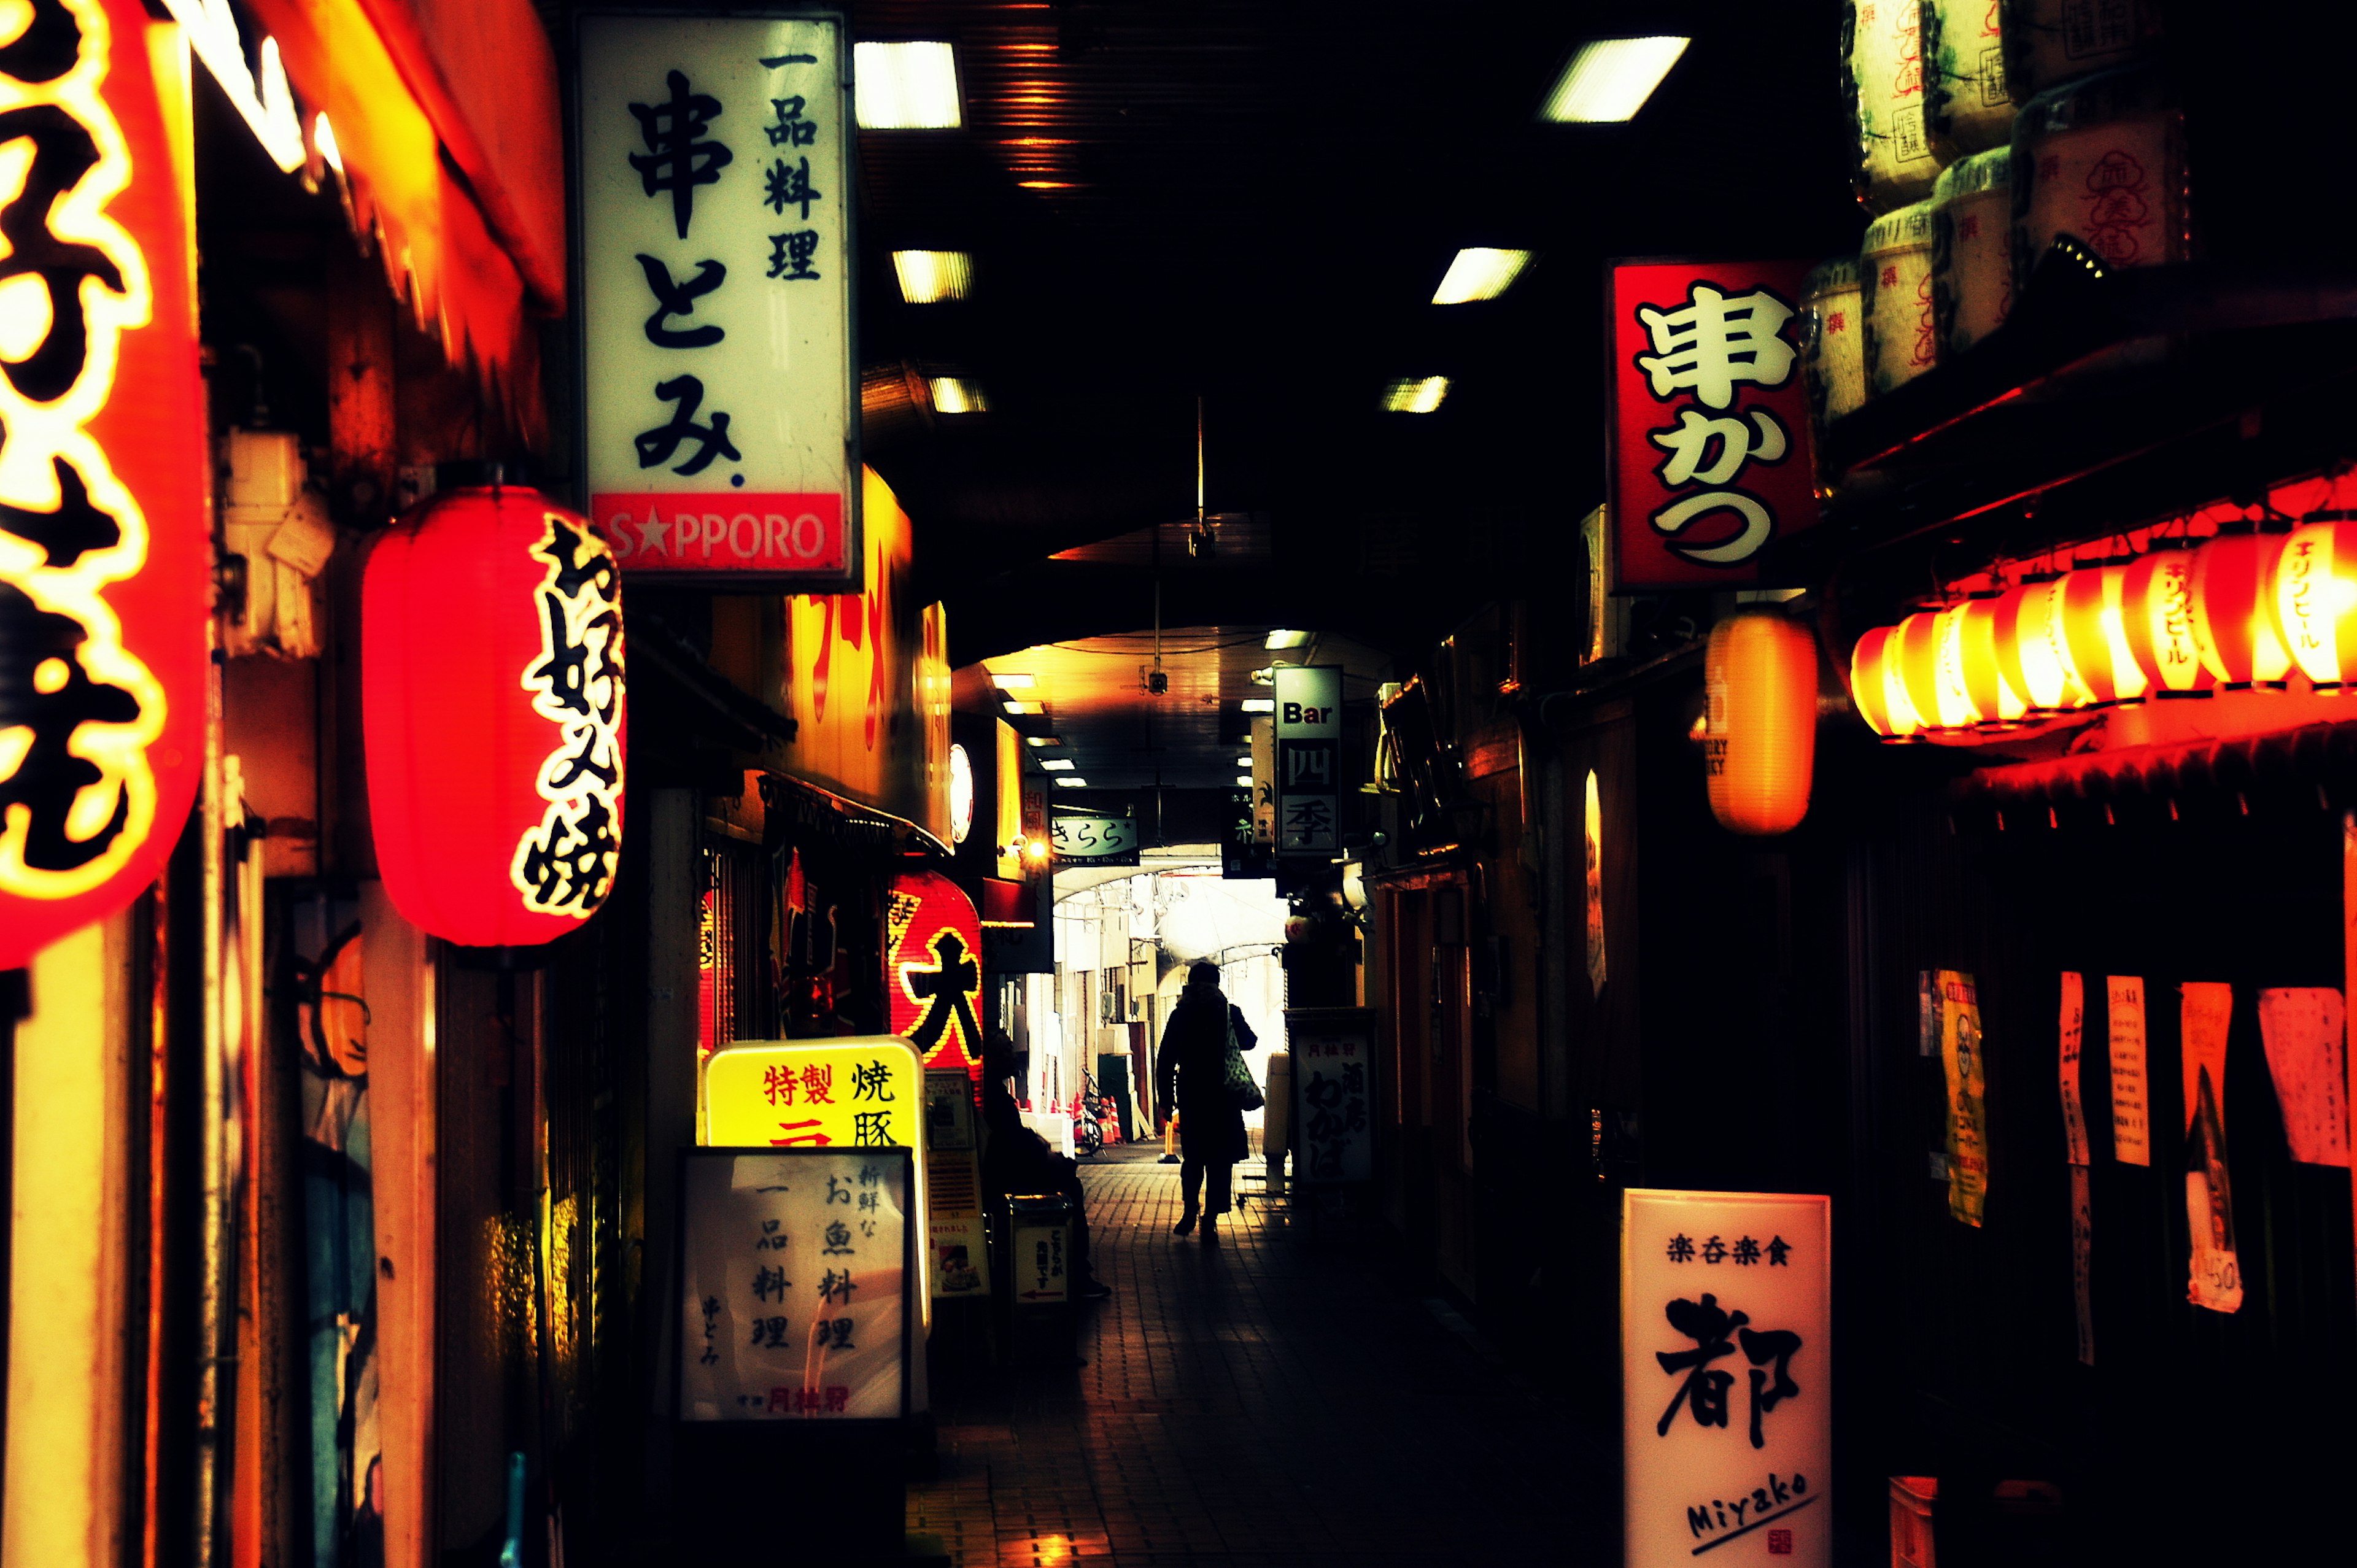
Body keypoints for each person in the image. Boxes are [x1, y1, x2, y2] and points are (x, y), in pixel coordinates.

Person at [980, 1035, 1110, 1300]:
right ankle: (1077, 1273)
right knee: (1069, 1186)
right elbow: (1012, 1141)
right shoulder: (992, 1096)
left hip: (1002, 1171)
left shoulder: (991, 1093)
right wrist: (1044, 1152)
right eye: (1005, 1050)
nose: (1013, 1055)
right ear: (990, 1059)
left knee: (1066, 1175)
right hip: (1006, 1176)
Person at [1155, 960, 1258, 1245]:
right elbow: (1250, 1041)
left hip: (1192, 1096)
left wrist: (1166, 1100)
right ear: (1217, 984)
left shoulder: (1181, 1014)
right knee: (1220, 1160)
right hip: (1223, 1096)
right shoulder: (1227, 1011)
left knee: (1194, 1158)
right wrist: (1231, 1020)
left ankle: (1190, 1211)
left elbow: (1165, 1060)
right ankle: (1210, 1219)